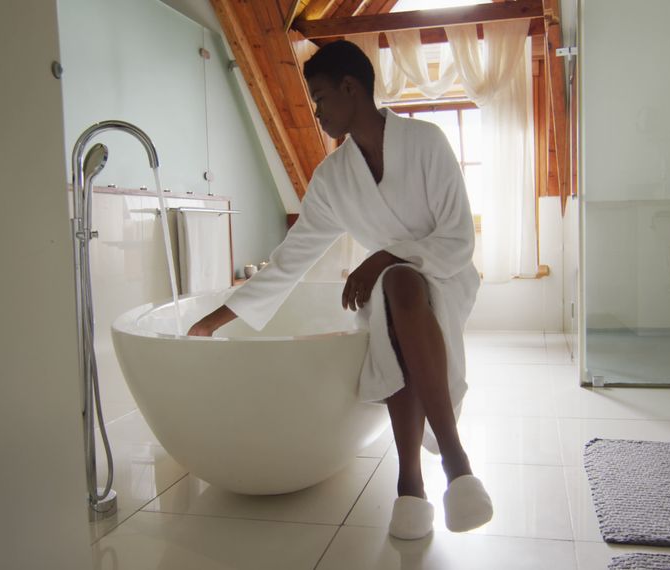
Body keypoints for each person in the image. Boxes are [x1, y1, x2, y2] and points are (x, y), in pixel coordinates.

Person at [187, 40, 492, 540]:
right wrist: (214, 320)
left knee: (399, 285)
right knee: (395, 297)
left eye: (321, 98)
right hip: (390, 291)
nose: (317, 112)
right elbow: (290, 260)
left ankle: (416, 482)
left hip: (446, 276)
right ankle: (450, 471)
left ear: (351, 89)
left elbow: (458, 240)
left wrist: (386, 257)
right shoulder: (332, 180)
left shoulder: (427, 142)